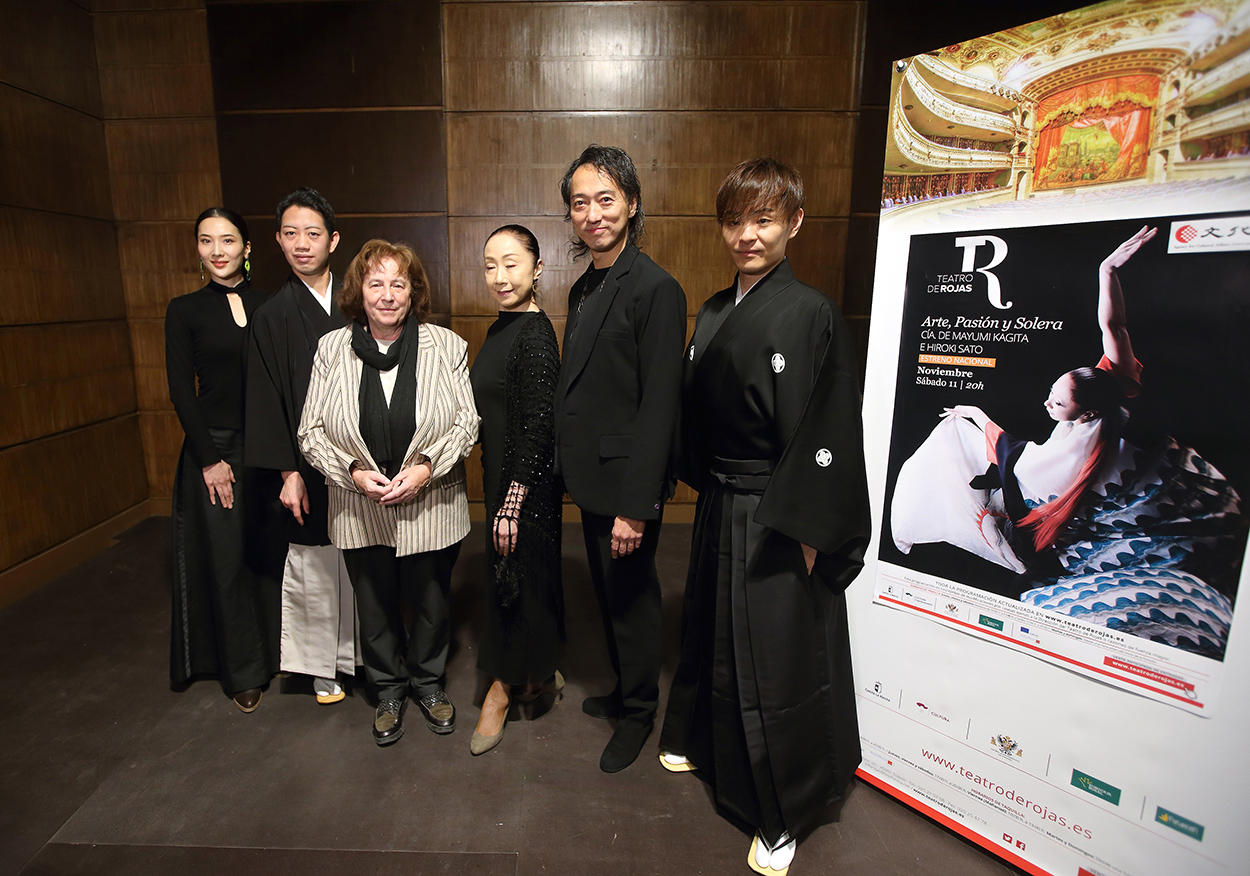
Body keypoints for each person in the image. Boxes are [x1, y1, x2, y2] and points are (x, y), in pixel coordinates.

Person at [657, 158, 871, 876]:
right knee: (713, 635)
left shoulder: (810, 312)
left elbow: (827, 428)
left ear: (794, 224)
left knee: (777, 659)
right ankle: (708, 746)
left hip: (781, 508)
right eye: (735, 221)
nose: (747, 235)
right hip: (725, 499)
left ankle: (786, 813)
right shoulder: (716, 309)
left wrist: (815, 527)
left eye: (764, 219)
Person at [893, 226, 1241, 658]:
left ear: (1086, 412)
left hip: (1170, 515)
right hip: (1202, 498)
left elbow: (1012, 458)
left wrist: (979, 417)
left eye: (1057, 403)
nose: (1047, 404)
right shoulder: (1112, 388)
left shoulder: (1068, 457)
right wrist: (1107, 270)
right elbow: (1112, 324)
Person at [298, 239, 478, 745]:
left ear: (413, 291)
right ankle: (389, 691)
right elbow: (310, 431)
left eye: (398, 283)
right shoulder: (331, 349)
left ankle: (429, 684)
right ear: (360, 290)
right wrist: (351, 470)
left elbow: (467, 422)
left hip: (432, 500)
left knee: (430, 601)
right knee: (373, 604)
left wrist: (426, 467)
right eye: (376, 283)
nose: (387, 294)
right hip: (358, 504)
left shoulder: (447, 346)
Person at [553, 145, 687, 773]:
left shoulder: (656, 287)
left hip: (627, 488)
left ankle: (640, 715)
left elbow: (659, 403)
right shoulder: (584, 286)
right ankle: (620, 691)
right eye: (580, 203)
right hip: (592, 479)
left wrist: (637, 508)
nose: (593, 213)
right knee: (610, 595)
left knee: (633, 601)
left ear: (632, 204)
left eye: (605, 199)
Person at [246, 187, 358, 706]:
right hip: (307, 460)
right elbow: (266, 397)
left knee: (364, 552)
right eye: (290, 234)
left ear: (333, 240)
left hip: (361, 457)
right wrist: (288, 471)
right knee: (314, 559)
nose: (301, 243)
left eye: (313, 233)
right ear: (277, 241)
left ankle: (365, 653)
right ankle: (320, 665)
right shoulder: (272, 315)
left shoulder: (360, 300)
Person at [167, 208, 281, 711]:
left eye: (228, 240)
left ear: (247, 248)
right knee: (229, 562)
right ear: (197, 248)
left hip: (267, 446)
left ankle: (282, 654)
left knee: (272, 557)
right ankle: (244, 671)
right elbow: (181, 392)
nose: (218, 250)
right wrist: (211, 460)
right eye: (207, 240)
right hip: (215, 451)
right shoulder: (184, 310)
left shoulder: (272, 304)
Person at [467, 224, 564, 756]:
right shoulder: (499, 329)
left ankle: (500, 692)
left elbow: (538, 426)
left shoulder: (535, 333)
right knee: (515, 579)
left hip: (524, 490)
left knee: (515, 581)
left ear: (537, 268)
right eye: (489, 265)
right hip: (500, 480)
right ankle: (538, 667)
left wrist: (512, 503)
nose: (500, 276)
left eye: (510, 263)